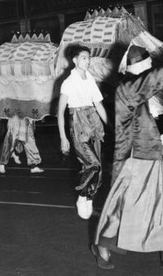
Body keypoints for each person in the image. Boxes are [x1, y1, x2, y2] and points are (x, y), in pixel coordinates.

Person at [92, 45, 163, 270]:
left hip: (147, 154)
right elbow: (160, 77)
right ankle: (103, 246)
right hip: (134, 160)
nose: (150, 67)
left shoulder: (130, 87)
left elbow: (139, 123)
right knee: (123, 208)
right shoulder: (128, 87)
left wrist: (157, 136)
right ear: (139, 65)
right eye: (147, 64)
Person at [57, 44, 109, 219]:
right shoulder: (68, 83)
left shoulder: (91, 79)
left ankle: (89, 198)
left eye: (89, 58)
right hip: (78, 124)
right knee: (92, 164)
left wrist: (110, 125)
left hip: (93, 122)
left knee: (100, 168)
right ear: (75, 60)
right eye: (84, 57)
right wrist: (63, 137)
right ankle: (81, 197)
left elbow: (99, 105)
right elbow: (60, 113)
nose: (87, 61)